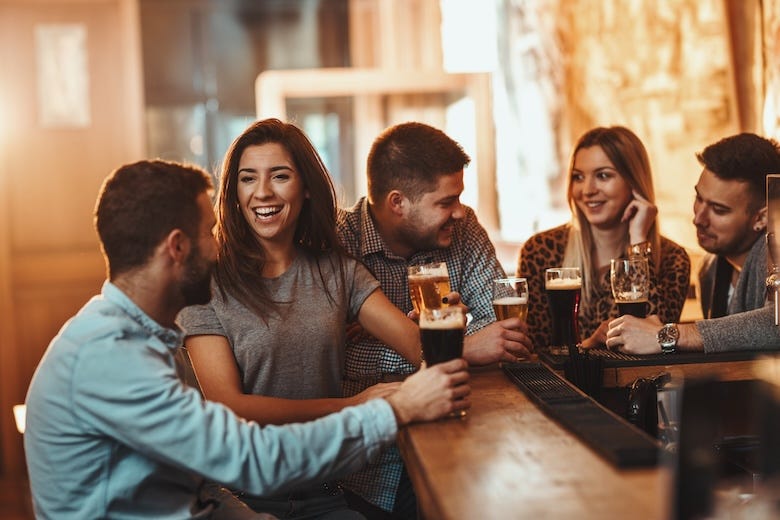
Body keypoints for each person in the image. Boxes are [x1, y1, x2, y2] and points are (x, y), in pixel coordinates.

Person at [23, 159, 470, 519]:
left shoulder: (141, 338)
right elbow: (251, 459)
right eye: (208, 233)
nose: (219, 247)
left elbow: (197, 487)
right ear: (177, 248)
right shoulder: (108, 356)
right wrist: (393, 409)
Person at [177, 119, 440, 519]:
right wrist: (350, 406)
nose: (262, 192)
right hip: (241, 500)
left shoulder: (338, 272)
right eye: (248, 179)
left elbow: (420, 348)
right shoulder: (207, 284)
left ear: (305, 188)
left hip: (325, 497)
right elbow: (229, 407)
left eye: (280, 176)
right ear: (234, 194)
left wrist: (443, 321)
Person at [337, 121, 533, 515]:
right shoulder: (338, 241)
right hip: (365, 471)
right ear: (398, 203)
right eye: (446, 202)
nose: (459, 211)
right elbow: (334, 357)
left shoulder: (462, 230)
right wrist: (456, 344)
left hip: (461, 439)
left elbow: (506, 333)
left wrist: (436, 340)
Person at [518, 125, 691, 349]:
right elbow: (534, 350)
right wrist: (590, 345)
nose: (587, 189)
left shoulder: (672, 258)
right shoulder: (540, 250)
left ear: (634, 183)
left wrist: (638, 242)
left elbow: (657, 339)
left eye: (603, 175)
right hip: (559, 384)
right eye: (578, 177)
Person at [606, 133, 780, 354]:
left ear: (761, 218)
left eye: (719, 210)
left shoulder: (773, 250)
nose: (699, 218)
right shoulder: (709, 268)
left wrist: (671, 335)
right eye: (699, 199)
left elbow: (776, 322)